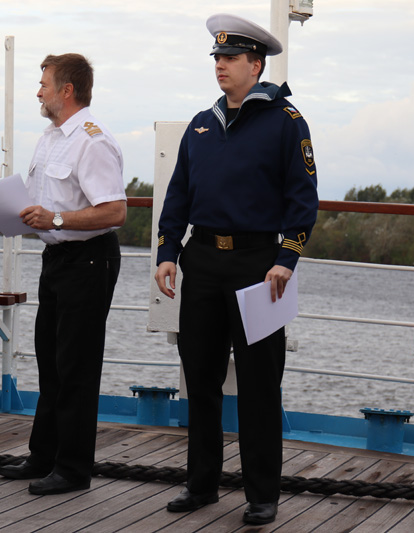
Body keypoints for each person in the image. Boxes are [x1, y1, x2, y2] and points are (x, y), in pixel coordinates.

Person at [154, 14, 319, 525]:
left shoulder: (286, 122)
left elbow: (303, 199)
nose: (220, 65)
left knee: (259, 383)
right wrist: (167, 251)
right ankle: (201, 484)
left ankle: (262, 494)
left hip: (258, 265)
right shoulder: (201, 125)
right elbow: (178, 194)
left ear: (256, 65)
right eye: (217, 58)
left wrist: (286, 259)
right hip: (202, 260)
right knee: (199, 379)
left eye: (230, 58)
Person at [0, 53, 127, 495]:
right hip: (56, 260)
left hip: (88, 260)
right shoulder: (50, 138)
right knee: (51, 361)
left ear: (67, 90)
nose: (38, 92)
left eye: (44, 84)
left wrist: (55, 220)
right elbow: (42, 204)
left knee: (76, 366)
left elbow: (115, 211)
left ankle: (72, 469)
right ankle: (44, 455)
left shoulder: (92, 141)